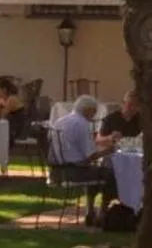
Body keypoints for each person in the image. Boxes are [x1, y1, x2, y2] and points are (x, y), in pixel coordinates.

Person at [48, 94, 115, 222]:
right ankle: (102, 212)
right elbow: (90, 155)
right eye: (94, 112)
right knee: (111, 174)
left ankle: (90, 210)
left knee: (96, 171)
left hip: (56, 171)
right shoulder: (82, 124)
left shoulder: (60, 121)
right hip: (73, 171)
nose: (94, 116)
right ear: (88, 110)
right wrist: (109, 150)